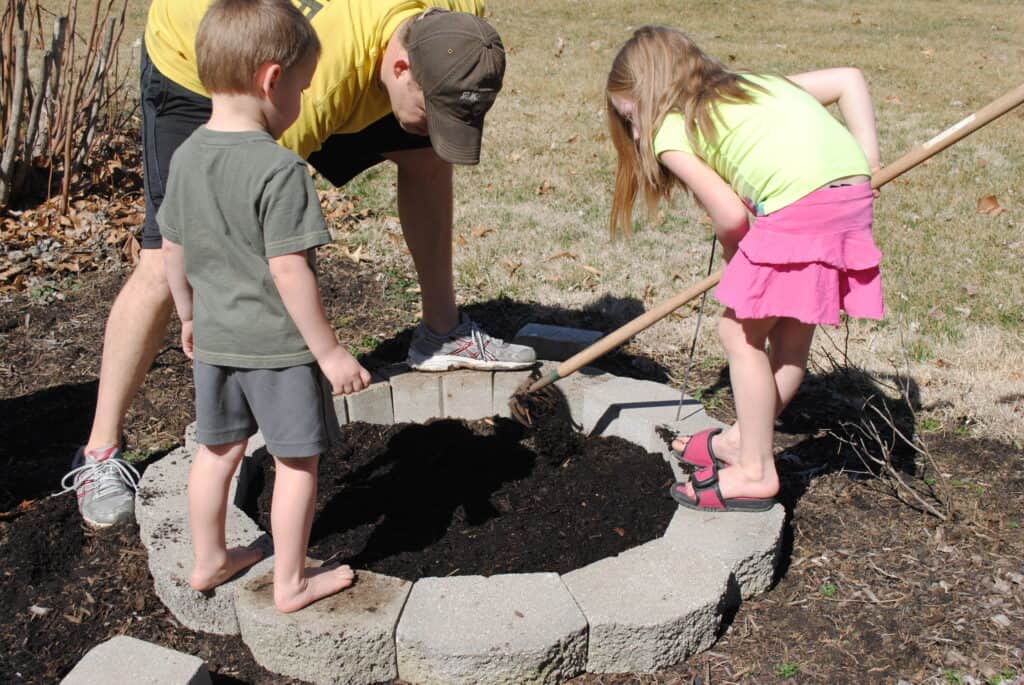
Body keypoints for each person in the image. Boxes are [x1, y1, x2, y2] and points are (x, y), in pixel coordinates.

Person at [62, 0, 535, 526]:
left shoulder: (459, 24)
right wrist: (306, 352)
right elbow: (262, 241)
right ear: (401, 66)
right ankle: (99, 451)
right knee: (169, 250)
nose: (437, 127)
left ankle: (441, 332)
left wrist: (434, 117)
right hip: (204, 50)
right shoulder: (309, 90)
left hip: (318, 50)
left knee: (425, 153)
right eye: (434, 110)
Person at [605, 26, 883, 511]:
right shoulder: (757, 85)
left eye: (631, 116)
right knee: (790, 341)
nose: (633, 132)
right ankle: (740, 442)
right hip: (849, 202)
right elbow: (848, 79)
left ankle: (755, 470)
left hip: (801, 211)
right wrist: (869, 161)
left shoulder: (672, 128)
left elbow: (732, 217)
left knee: (739, 336)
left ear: (651, 95)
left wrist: (741, 264)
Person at [160, 0, 364, 611]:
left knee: (217, 451)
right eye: (302, 87)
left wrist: (188, 315)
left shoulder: (187, 155)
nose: (301, 100)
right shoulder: (280, 170)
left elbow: (172, 246)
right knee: (296, 462)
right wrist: (328, 352)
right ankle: (291, 581)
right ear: (272, 79)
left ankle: (210, 559)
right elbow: (288, 268)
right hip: (277, 348)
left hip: (216, 340)